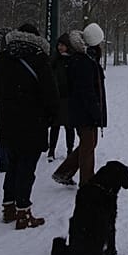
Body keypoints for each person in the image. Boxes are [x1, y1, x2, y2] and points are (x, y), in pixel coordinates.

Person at [0, 23, 59, 229]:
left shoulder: (3, 57)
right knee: (27, 168)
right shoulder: (39, 59)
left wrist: (6, 106)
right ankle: (23, 212)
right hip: (33, 122)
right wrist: (49, 116)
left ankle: (8, 207)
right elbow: (50, 94)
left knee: (12, 165)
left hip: (7, 122)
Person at [52, 22, 107, 187]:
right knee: (88, 147)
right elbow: (86, 91)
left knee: (88, 144)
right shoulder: (84, 61)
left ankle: (63, 172)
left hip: (82, 110)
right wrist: (96, 112)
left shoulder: (84, 59)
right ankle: (87, 182)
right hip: (85, 112)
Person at [48, 33, 75, 163]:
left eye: (63, 45)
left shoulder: (72, 60)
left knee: (69, 127)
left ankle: (70, 150)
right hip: (57, 97)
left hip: (69, 98)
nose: (60, 47)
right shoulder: (55, 59)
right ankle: (51, 150)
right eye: (59, 45)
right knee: (55, 126)